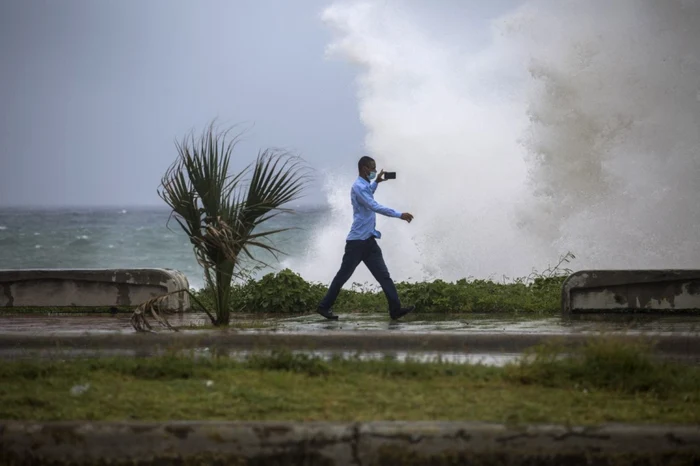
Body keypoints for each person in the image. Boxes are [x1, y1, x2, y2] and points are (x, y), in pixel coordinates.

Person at [317, 156, 415, 321]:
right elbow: (373, 205)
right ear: (363, 168)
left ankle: (395, 310)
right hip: (356, 243)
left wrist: (376, 182)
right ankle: (324, 306)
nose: (374, 171)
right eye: (372, 168)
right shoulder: (358, 187)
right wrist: (399, 214)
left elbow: (368, 194)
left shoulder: (364, 186)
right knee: (343, 276)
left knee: (384, 276)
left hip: (369, 241)